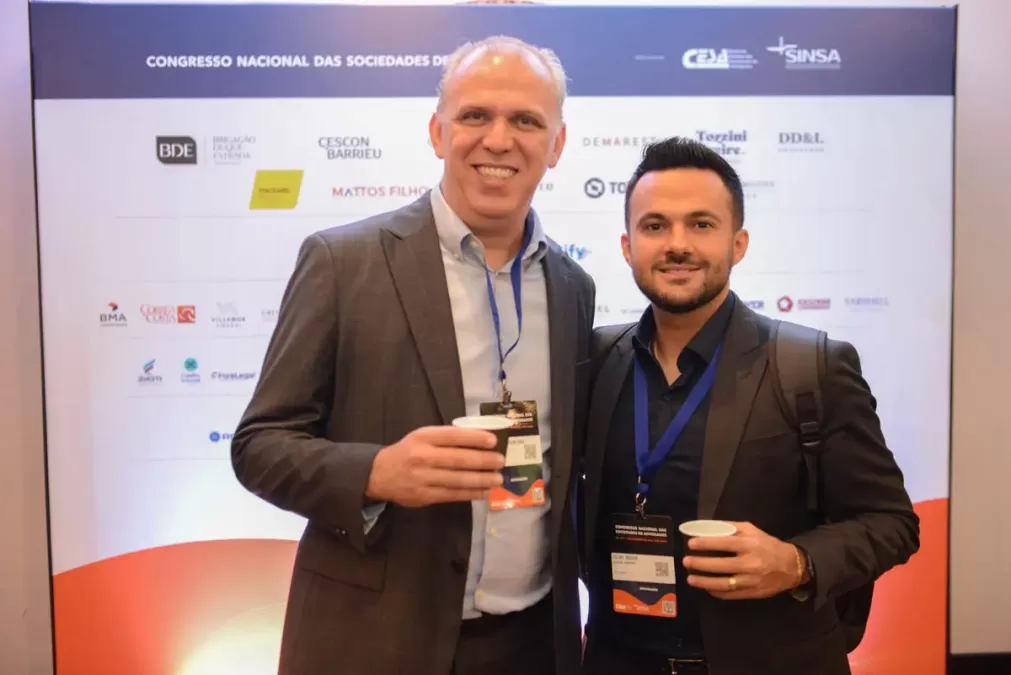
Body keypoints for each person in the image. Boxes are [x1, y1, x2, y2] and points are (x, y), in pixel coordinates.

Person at [230, 36, 595, 675]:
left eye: (526, 120)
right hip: (377, 641)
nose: (499, 140)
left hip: (535, 644)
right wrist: (375, 473)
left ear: (557, 145)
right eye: (476, 115)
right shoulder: (343, 263)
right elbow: (259, 446)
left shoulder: (572, 286)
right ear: (437, 131)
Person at [577, 137, 919, 675]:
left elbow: (892, 522)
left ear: (738, 243)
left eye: (702, 224)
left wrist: (797, 562)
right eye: (655, 226)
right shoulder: (597, 361)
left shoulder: (812, 366)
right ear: (627, 246)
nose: (678, 245)